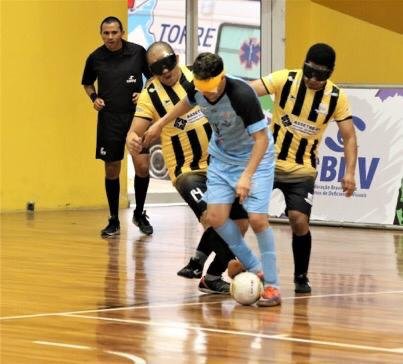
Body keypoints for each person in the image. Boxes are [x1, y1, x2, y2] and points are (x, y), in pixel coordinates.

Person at [143, 52, 281, 307]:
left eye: (210, 87)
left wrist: (247, 176)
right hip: (221, 159)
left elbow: (261, 139)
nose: (206, 94)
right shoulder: (198, 89)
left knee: (257, 219)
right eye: (201, 87)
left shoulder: (242, 95)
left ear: (221, 76)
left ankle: (272, 285)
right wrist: (160, 124)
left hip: (255, 159)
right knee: (216, 219)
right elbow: (186, 102)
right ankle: (253, 265)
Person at [126, 42, 250, 294]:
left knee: (241, 223)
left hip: (220, 166)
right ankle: (199, 261)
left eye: (168, 64)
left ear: (177, 58)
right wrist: (131, 137)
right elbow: (136, 130)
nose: (165, 72)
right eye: (157, 69)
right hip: (187, 171)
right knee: (213, 219)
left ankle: (211, 276)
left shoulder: (198, 76)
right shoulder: (150, 95)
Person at [250, 43, 358, 293]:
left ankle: (301, 276)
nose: (311, 79)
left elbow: (349, 137)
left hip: (302, 169)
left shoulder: (336, 97)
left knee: (298, 220)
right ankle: (221, 268)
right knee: (245, 217)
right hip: (267, 162)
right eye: (308, 72)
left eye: (319, 76)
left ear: (330, 73)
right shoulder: (284, 79)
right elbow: (248, 91)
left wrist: (350, 172)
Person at [81, 16, 153, 238]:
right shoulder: (95, 57)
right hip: (109, 119)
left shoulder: (138, 52)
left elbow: (153, 80)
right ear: (101, 34)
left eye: (114, 32)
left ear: (122, 32)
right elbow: (86, 83)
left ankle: (139, 214)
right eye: (106, 33)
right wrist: (94, 97)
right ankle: (113, 219)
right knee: (112, 169)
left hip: (137, 118)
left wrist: (143, 93)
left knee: (142, 167)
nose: (110, 37)